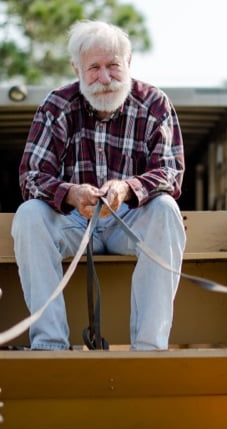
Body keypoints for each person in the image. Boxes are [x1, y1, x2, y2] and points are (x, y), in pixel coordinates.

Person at [11, 19, 186, 351]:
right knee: (29, 214)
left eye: (113, 66)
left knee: (165, 208)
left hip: (129, 221)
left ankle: (150, 348)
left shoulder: (155, 103)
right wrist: (71, 193)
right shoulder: (56, 105)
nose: (105, 78)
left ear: (129, 64)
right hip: (74, 223)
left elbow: (170, 172)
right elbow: (31, 175)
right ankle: (49, 344)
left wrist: (126, 189)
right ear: (76, 68)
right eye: (94, 68)